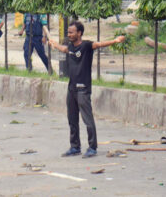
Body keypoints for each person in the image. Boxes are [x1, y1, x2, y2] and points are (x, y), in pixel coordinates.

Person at [49, 21, 125, 158]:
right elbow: (63, 49)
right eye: (68, 32)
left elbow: (100, 44)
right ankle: (75, 147)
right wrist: (54, 44)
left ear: (79, 33)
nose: (69, 35)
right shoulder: (70, 47)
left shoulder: (86, 46)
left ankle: (92, 147)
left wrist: (115, 40)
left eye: (71, 32)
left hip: (83, 89)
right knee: (72, 119)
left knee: (87, 120)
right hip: (71, 89)